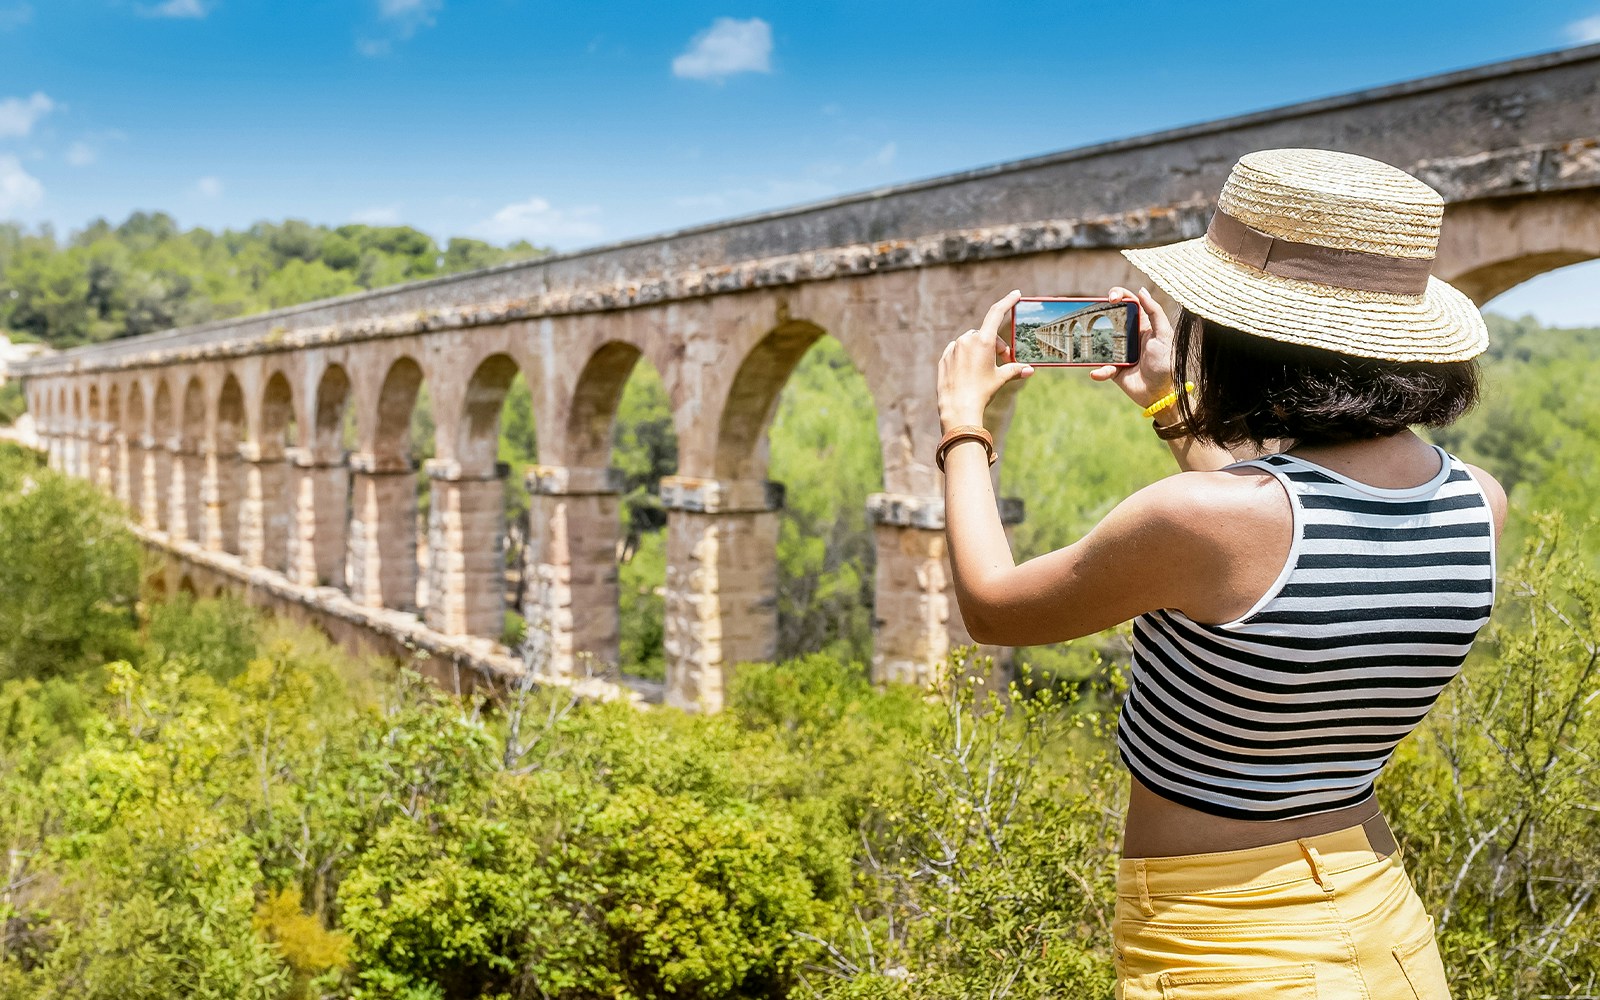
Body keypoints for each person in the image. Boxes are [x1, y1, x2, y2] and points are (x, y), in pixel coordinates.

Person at [935, 148, 1505, 1000]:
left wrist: (961, 429)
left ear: (1247, 336)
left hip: (1225, 944)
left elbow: (992, 607)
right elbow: (1272, 539)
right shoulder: (1479, 503)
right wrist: (1167, 405)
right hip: (1385, 927)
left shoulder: (1200, 520)